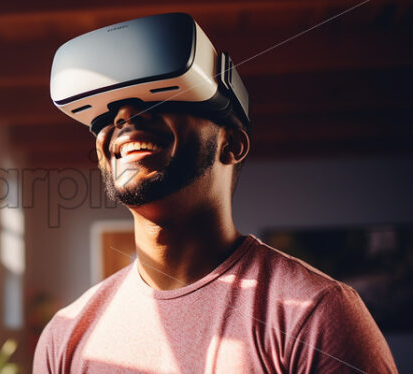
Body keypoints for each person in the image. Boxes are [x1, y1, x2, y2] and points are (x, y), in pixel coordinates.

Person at [32, 98, 398, 372]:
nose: (126, 118)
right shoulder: (65, 334)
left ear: (232, 145)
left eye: (164, 97)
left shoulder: (316, 314)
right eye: (113, 115)